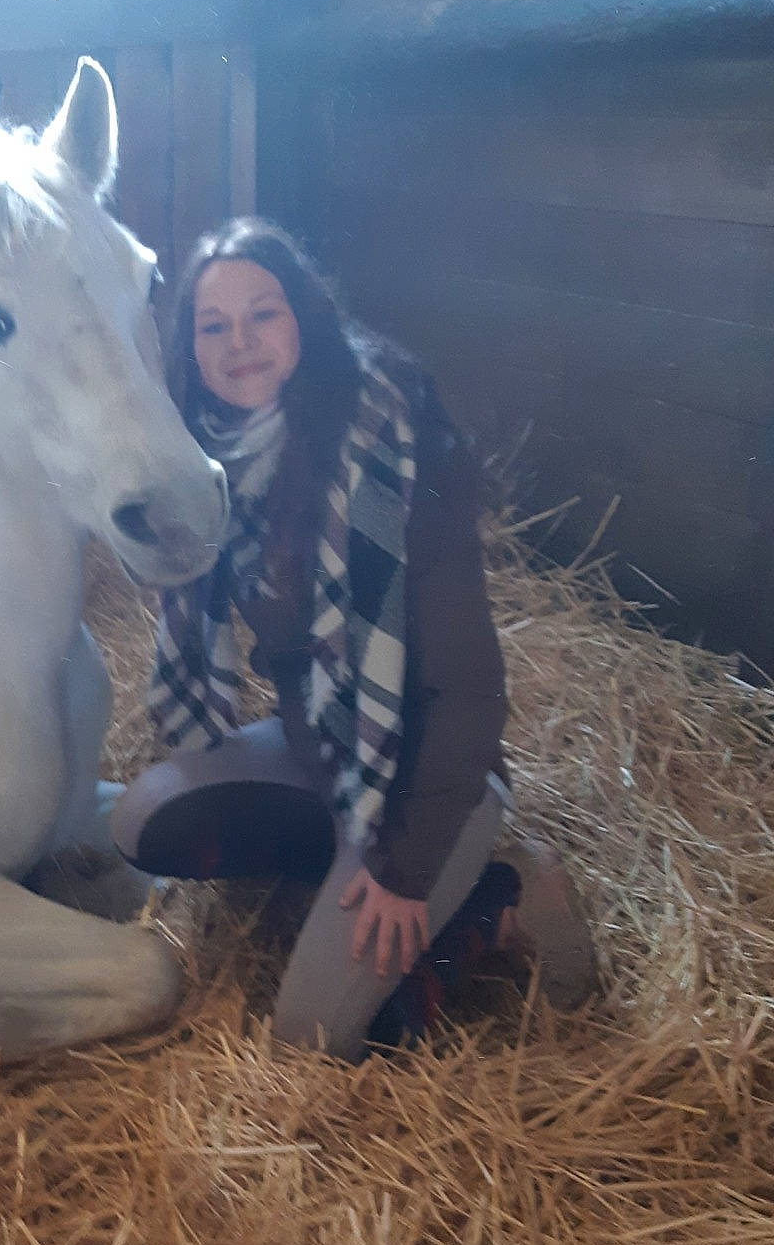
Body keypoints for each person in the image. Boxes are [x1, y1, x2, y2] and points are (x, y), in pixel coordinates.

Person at [110, 219, 515, 1059]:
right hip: (324, 747)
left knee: (312, 1036)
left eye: (264, 314)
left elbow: (470, 689)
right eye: (213, 326)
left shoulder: (385, 450)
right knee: (148, 817)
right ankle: (337, 870)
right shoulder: (217, 464)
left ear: (306, 318)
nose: (241, 343)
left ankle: (502, 893)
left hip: (425, 776)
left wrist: (403, 869)